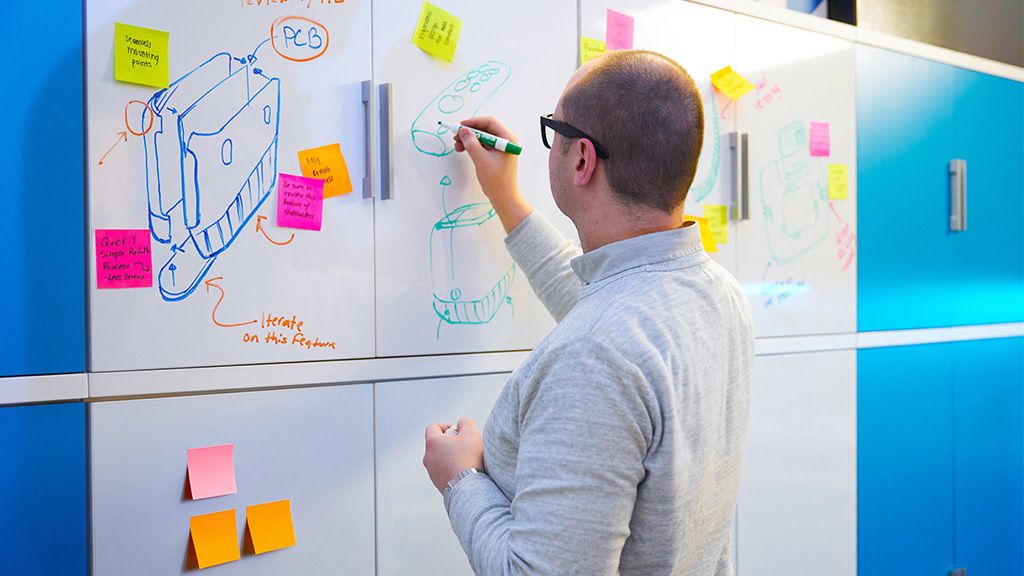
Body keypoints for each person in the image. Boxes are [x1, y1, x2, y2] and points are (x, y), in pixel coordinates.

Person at [422, 49, 754, 575]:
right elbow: (600, 302)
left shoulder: (597, 356)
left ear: (581, 159)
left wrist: (460, 479)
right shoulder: (717, 294)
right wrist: (505, 196)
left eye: (552, 130)